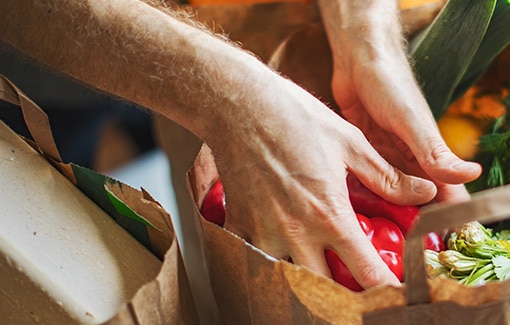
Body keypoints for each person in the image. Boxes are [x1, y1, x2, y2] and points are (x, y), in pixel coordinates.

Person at [0, 0, 481, 290]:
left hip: (237, 32)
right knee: (48, 220)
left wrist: (368, 36)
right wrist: (230, 100)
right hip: (52, 51)